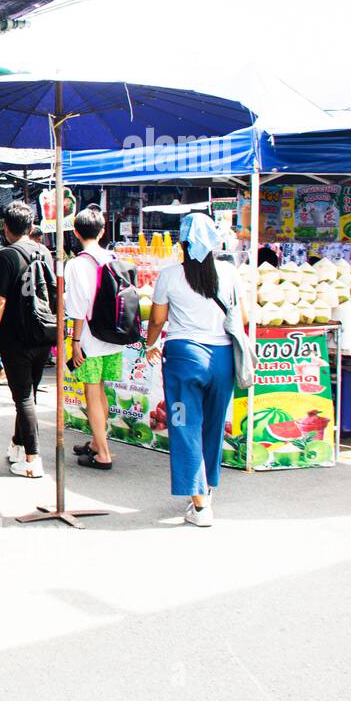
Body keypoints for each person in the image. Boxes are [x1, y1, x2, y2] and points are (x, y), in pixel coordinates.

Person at [143, 213, 245, 527]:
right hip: (223, 360)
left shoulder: (171, 275)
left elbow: (158, 320)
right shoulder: (229, 271)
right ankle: (205, 491)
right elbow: (242, 315)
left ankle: (200, 505)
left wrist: (149, 344)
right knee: (213, 425)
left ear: (182, 242)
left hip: (183, 359)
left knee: (183, 424)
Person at [0, 201, 55, 478]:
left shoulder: (6, 256)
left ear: (7, 227)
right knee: (28, 393)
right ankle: (17, 444)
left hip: (15, 338)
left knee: (23, 396)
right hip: (42, 334)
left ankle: (32, 458)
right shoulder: (44, 254)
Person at [65, 208, 124, 470]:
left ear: (76, 232)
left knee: (92, 392)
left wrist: (75, 342)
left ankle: (103, 453)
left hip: (88, 338)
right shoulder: (113, 257)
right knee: (101, 390)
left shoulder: (77, 264)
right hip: (112, 337)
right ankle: (96, 442)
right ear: (102, 231)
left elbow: (77, 308)